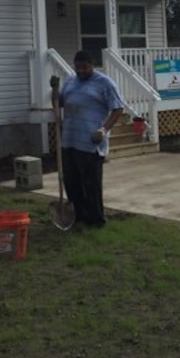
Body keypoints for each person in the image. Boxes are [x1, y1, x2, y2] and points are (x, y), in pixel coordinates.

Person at [59, 51, 125, 228]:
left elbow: (118, 108)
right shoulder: (70, 82)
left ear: (92, 65)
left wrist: (103, 129)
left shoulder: (105, 83)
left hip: (90, 142)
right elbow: (59, 103)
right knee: (71, 182)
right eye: (77, 67)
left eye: (84, 67)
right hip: (69, 140)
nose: (80, 71)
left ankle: (96, 219)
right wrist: (54, 92)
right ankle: (79, 216)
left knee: (91, 184)